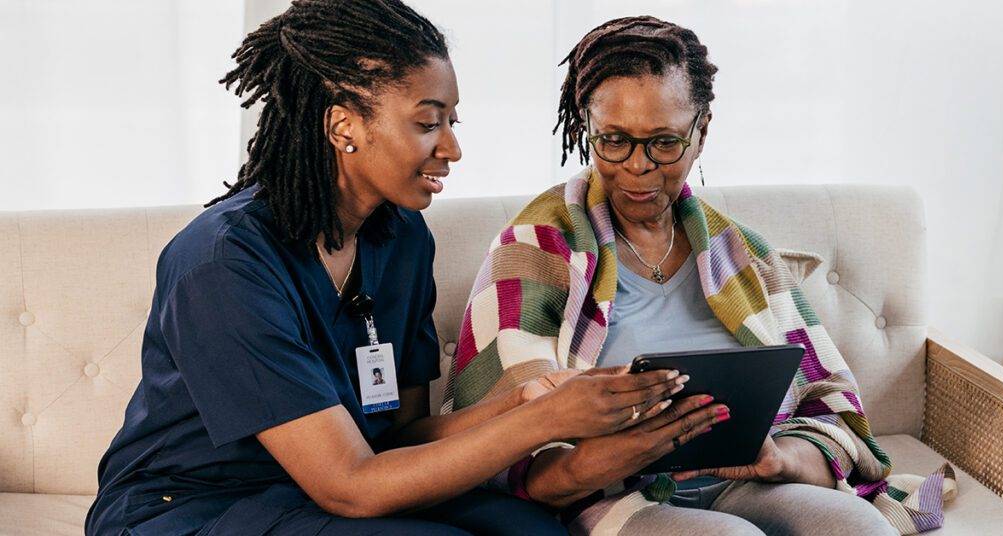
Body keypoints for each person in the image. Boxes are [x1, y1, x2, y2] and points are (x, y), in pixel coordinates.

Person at [84, 3, 685, 535]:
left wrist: (530, 398)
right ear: (344, 125)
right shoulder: (224, 263)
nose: (451, 147)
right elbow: (348, 483)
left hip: (330, 492)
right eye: (428, 123)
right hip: (192, 507)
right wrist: (544, 423)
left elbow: (399, 437)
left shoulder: (401, 239)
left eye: (452, 122)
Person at [447, 16, 953, 536]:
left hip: (748, 482)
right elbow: (505, 445)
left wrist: (778, 459)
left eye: (664, 143)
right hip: (615, 496)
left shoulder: (743, 254)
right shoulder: (533, 248)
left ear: (701, 132)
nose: (638, 166)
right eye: (614, 140)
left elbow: (830, 410)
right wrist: (610, 455)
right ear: (587, 128)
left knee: (860, 527)